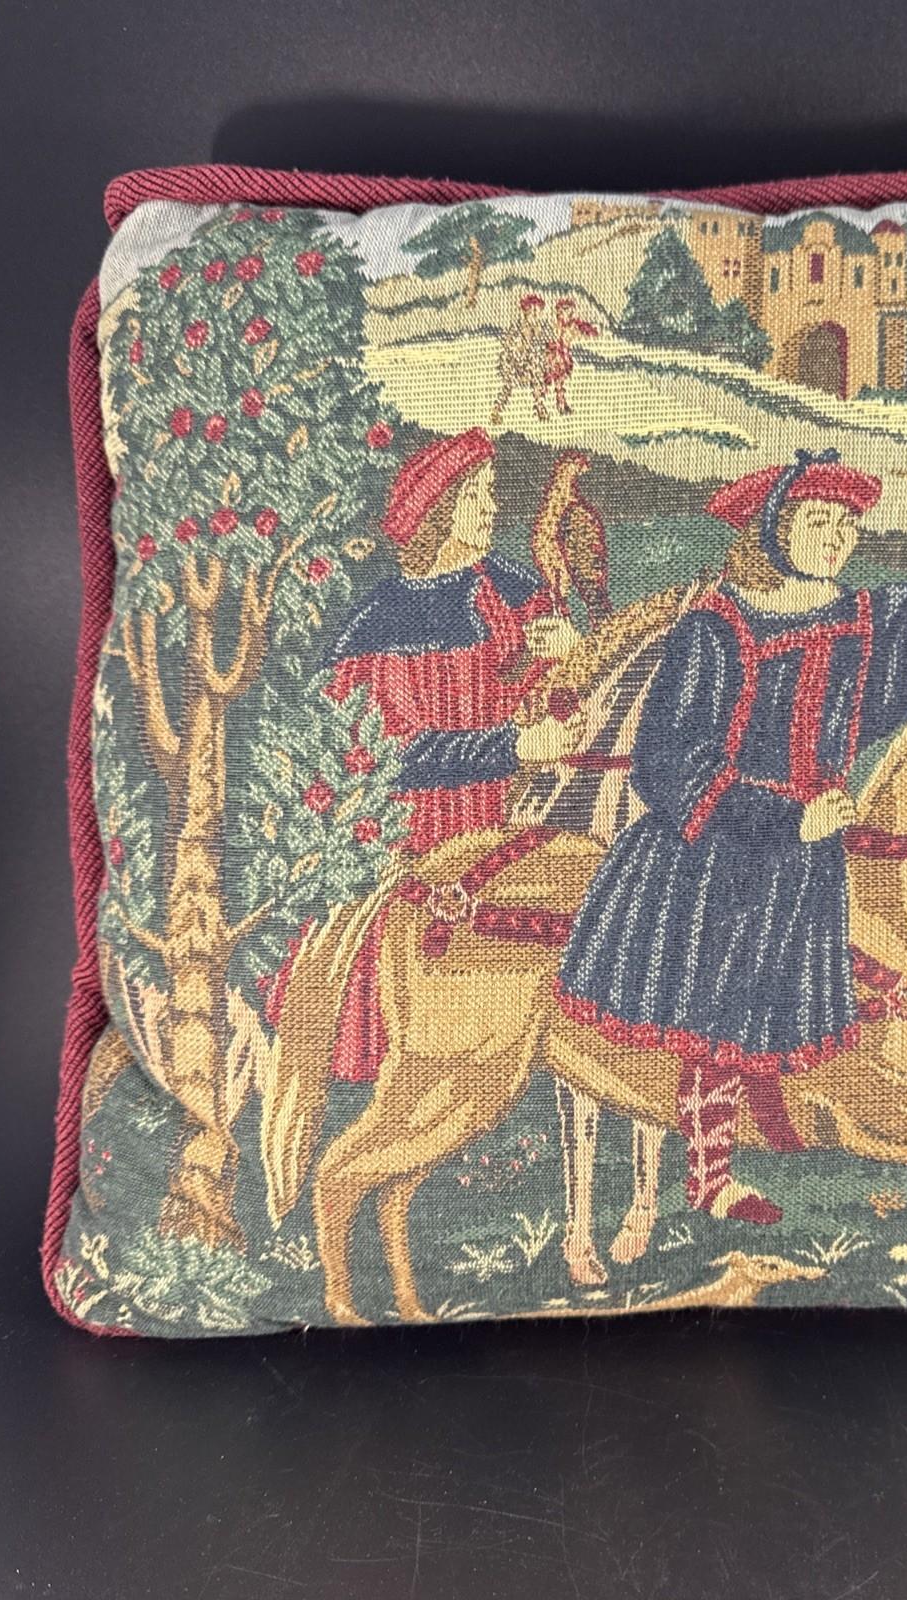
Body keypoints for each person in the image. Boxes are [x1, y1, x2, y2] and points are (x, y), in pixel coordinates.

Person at [555, 446, 907, 1225]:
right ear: (773, 529)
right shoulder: (715, 629)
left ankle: (806, 1115)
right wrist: (785, 817)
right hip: (713, 853)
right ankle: (711, 1176)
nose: (836, 539)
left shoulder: (859, 622)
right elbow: (668, 763)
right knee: (718, 1011)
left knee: (791, 1012)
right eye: (818, 522)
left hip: (806, 860)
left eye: (847, 525)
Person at [318, 427, 582, 1081]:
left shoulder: (509, 588)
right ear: (438, 510)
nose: (492, 508)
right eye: (476, 495)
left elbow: (553, 693)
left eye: (491, 492)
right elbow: (387, 755)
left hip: (509, 814)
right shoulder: (381, 622)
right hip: (422, 829)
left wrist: (569, 654)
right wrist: (512, 745)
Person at [489, 294, 552, 425]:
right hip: (514, 362)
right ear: (525, 312)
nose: (535, 314)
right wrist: (517, 349)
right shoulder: (518, 327)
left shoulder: (542, 328)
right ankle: (496, 410)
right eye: (532, 311)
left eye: (537, 311)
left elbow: (548, 344)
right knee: (508, 386)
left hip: (533, 363)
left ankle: (540, 407)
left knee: (537, 380)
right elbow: (508, 343)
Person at [542, 297, 598, 415]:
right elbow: (549, 338)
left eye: (568, 310)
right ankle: (542, 403)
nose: (566, 313)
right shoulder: (555, 325)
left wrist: (590, 331)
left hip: (563, 356)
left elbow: (583, 328)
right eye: (563, 310)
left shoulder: (572, 325)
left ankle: (561, 404)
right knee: (547, 380)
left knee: (560, 381)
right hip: (553, 356)